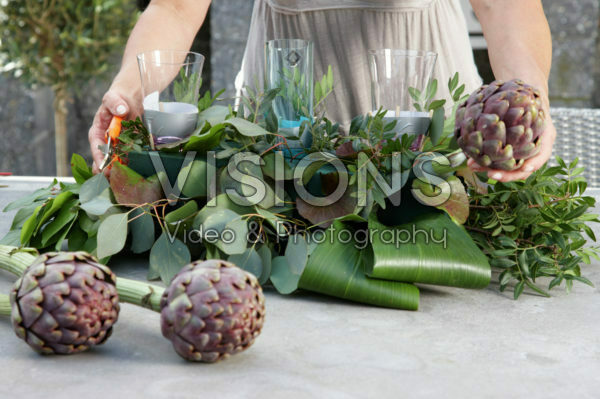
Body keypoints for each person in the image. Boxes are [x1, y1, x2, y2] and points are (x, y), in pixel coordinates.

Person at [89, 0, 555, 182]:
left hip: (429, 147)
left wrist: (526, 104)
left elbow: (506, 7)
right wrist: (127, 91)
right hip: (276, 154)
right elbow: (174, 8)